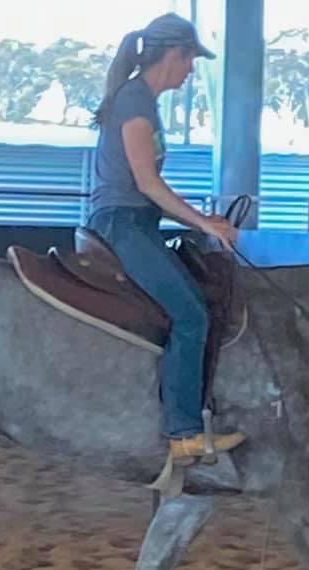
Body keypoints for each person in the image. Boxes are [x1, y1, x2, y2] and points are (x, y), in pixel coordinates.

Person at [87, 12, 246, 466]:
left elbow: (150, 189)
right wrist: (205, 224)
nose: (191, 70)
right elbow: (147, 183)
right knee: (191, 315)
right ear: (174, 54)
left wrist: (201, 219)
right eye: (190, 60)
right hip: (124, 223)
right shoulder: (136, 102)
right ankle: (183, 432)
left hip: (135, 221)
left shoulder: (139, 100)